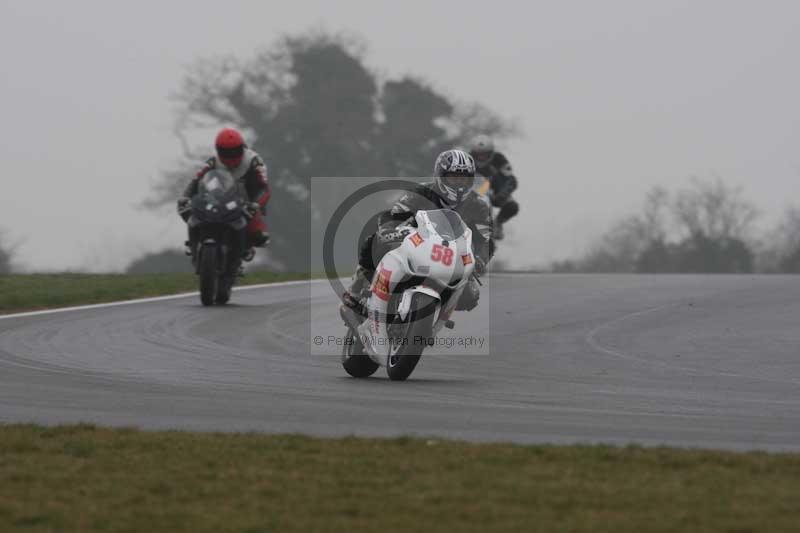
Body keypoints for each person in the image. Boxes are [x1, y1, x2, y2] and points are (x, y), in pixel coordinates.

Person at [342, 149, 494, 315]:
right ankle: (355, 291)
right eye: (453, 177)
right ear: (440, 176)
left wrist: (479, 260)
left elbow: (486, 241)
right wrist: (389, 229)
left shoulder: (479, 205)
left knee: (470, 296)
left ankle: (436, 322)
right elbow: (394, 214)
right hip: (416, 245)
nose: (459, 184)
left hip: (451, 258)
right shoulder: (421, 192)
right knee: (375, 241)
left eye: (464, 179)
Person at [177, 128, 271, 261]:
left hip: (247, 198)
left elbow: (263, 188)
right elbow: (196, 180)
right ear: (218, 150)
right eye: (225, 152)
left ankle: (246, 245)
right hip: (220, 197)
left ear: (242, 148)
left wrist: (256, 204)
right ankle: (194, 242)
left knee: (258, 236)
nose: (231, 156)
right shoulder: (212, 161)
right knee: (188, 208)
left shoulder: (254, 161)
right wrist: (185, 197)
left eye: (235, 151)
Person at [468, 134, 519, 240]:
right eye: (478, 155)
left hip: (495, 192)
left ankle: (498, 223)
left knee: (512, 206)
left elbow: (511, 179)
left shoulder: (499, 159)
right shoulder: (466, 160)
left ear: (491, 153)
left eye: (484, 155)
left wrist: (503, 194)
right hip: (471, 192)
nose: (481, 158)